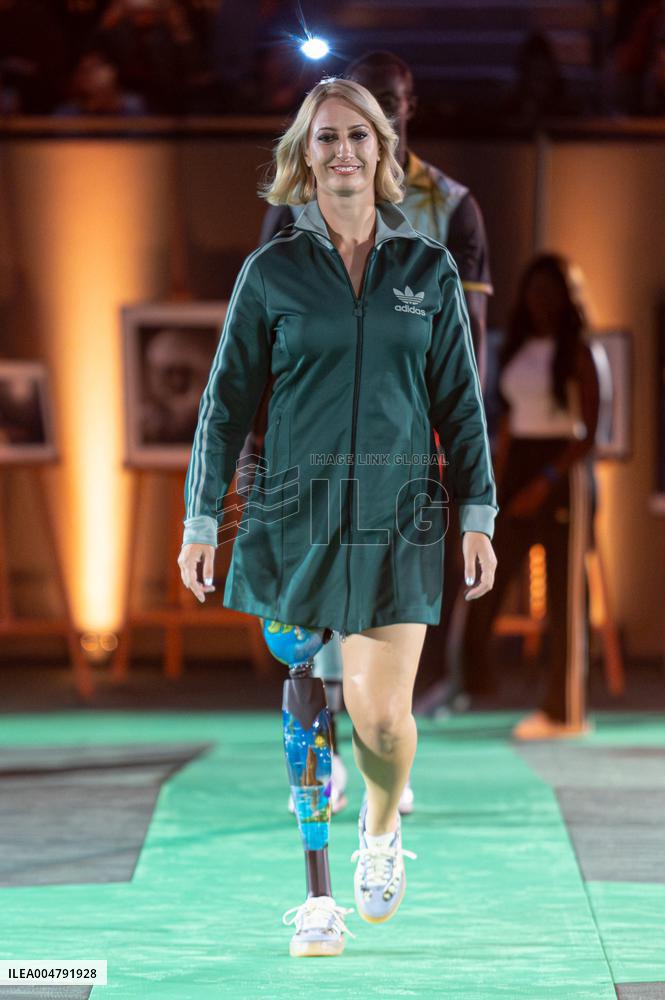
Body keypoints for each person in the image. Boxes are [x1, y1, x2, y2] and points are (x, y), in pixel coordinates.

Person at [177, 77, 498, 956]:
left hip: (399, 521)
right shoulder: (270, 271)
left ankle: (382, 832)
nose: (343, 151)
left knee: (380, 720)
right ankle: (316, 901)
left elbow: (460, 407)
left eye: (359, 136)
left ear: (383, 153)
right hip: (293, 517)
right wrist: (201, 521)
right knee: (305, 711)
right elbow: (224, 403)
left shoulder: (425, 270)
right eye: (325, 139)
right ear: (302, 157)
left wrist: (477, 510)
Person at [251, 50, 494, 813]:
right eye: (336, 130)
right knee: (307, 621)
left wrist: (452, 444)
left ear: (405, 107)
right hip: (306, 448)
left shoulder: (451, 205)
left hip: (402, 449)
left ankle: (381, 749)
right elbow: (259, 348)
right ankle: (326, 755)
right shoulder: (291, 215)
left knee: (384, 624)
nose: (360, 135)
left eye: (383, 107)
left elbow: (469, 340)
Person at [454, 253, 600, 740]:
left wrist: (546, 481)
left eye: (548, 291)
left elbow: (590, 434)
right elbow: (511, 418)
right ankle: (471, 679)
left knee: (562, 596)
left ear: (563, 297)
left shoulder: (579, 352)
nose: (539, 300)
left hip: (561, 471)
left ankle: (566, 711)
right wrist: (498, 473)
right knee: (485, 579)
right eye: (531, 290)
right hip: (516, 468)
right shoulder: (517, 348)